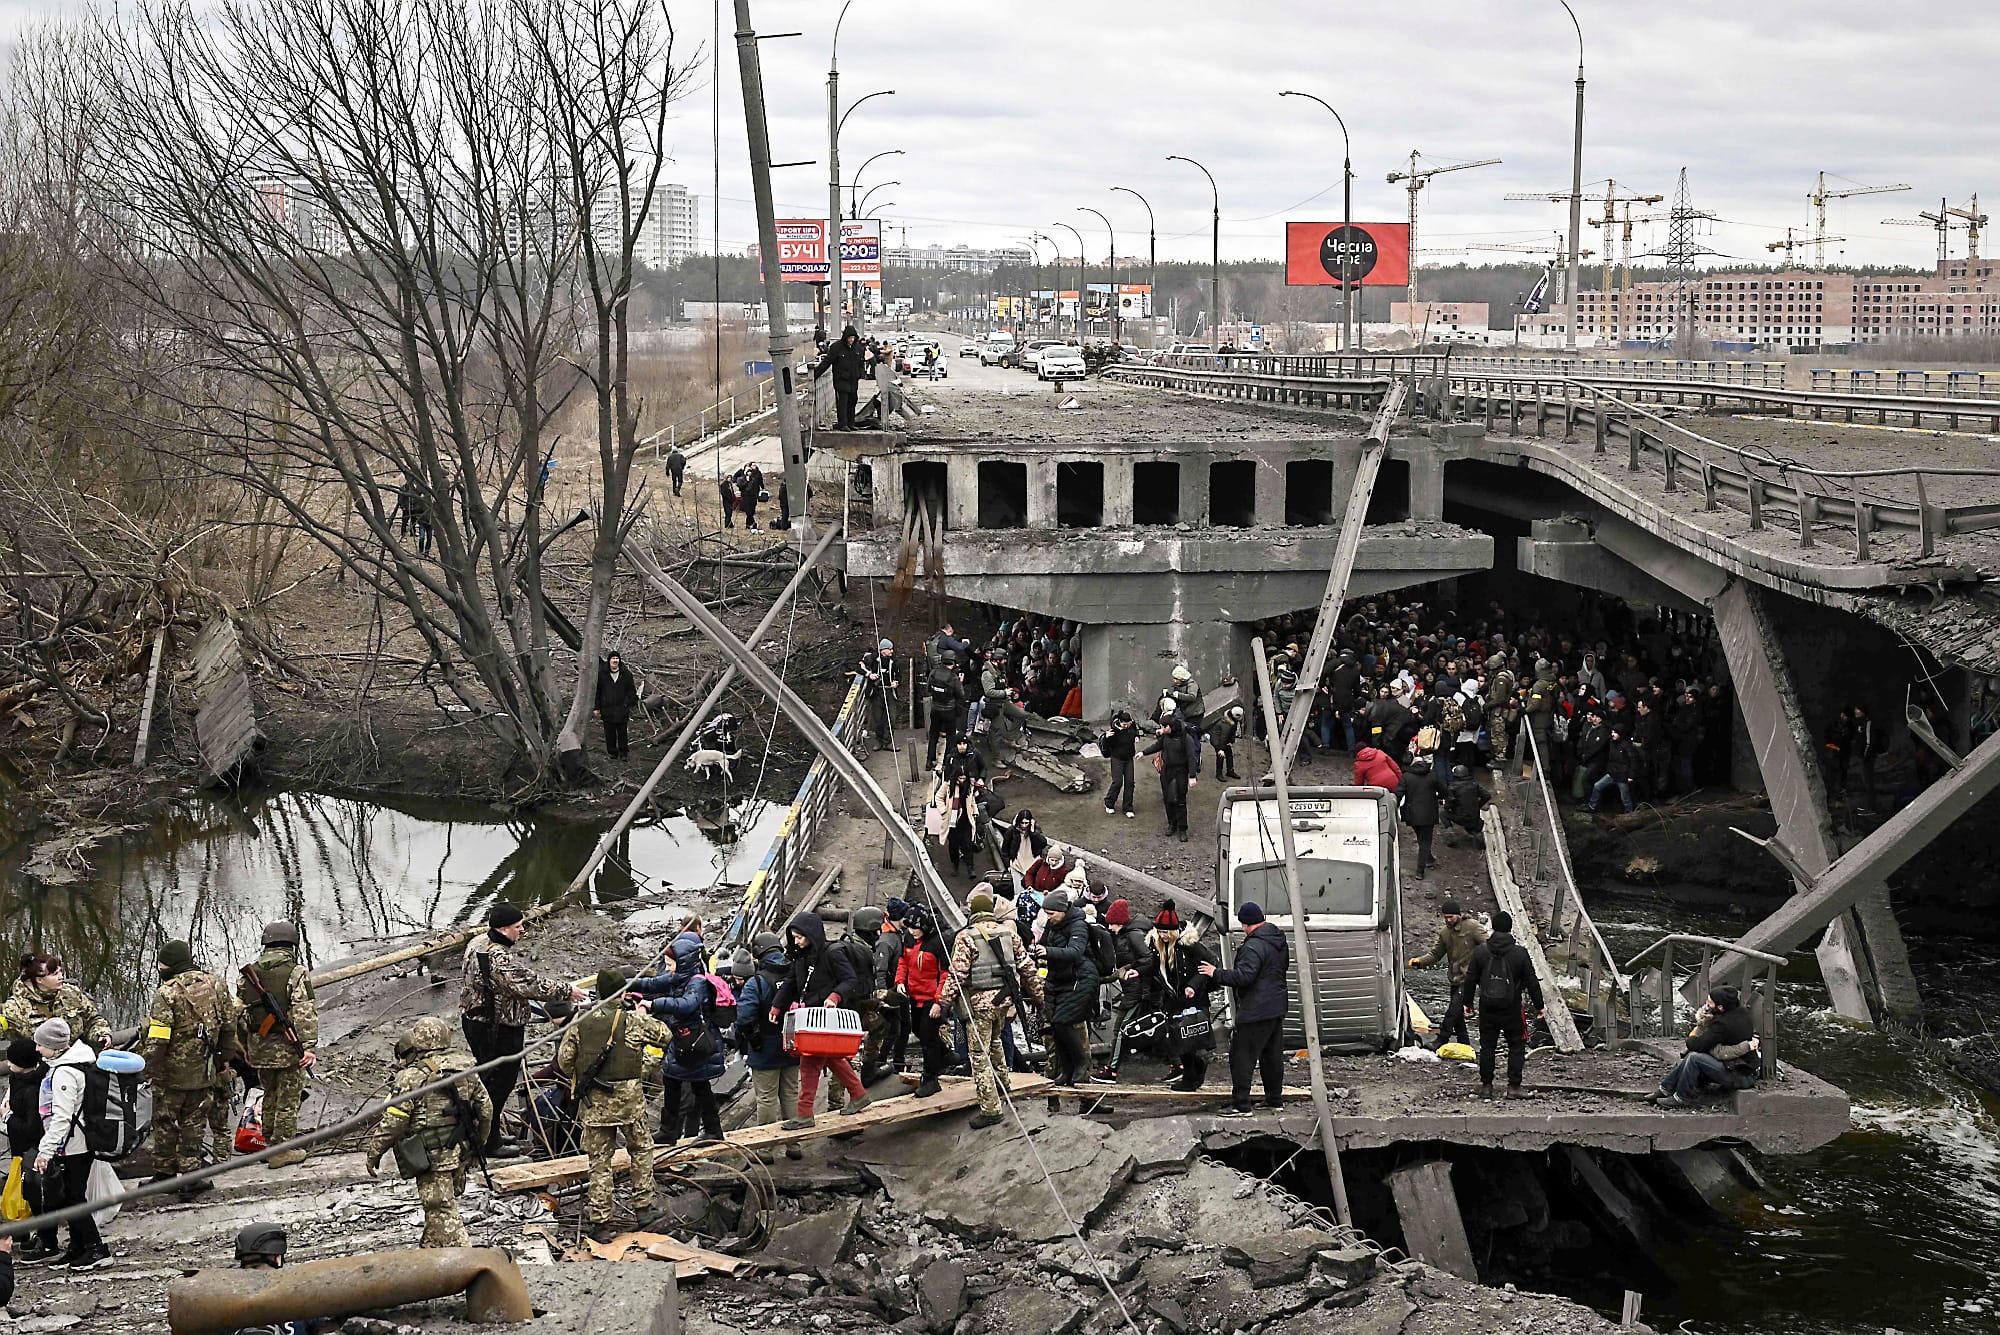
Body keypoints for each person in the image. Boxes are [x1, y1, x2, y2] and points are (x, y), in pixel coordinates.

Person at [461, 904, 585, 1160]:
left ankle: (488, 1133)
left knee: (488, 1080)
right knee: (498, 1084)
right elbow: (529, 983)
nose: (523, 930)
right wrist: (566, 991)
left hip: (476, 1021)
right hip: (496, 1028)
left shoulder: (477, 942)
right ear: (503, 929)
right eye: (518, 927)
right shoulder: (498, 958)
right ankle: (490, 1143)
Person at [556, 971, 673, 1241]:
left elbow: (564, 1061)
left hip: (594, 1103)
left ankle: (601, 1223)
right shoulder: (632, 1020)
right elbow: (664, 1035)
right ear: (622, 993)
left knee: (599, 1162)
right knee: (642, 1150)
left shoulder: (581, 1021)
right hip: (629, 1103)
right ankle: (643, 1209)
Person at [366, 1017, 493, 1248]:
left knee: (443, 1212)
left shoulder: (411, 1076)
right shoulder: (466, 1068)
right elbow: (486, 1110)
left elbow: (395, 1121)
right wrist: (478, 1146)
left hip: (432, 1157)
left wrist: (374, 1153)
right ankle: (430, 1250)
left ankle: (470, 1260)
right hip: (461, 1150)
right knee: (440, 1209)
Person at [140, 939, 242, 1197]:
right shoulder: (216, 984)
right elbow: (229, 1026)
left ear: (170, 965)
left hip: (170, 1076)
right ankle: (191, 1177)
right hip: (205, 1070)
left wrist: (147, 1068)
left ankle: (164, 1175)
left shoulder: (167, 993)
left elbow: (158, 1038)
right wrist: (223, 1060)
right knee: (194, 1124)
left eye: (162, 964)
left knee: (165, 1122)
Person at [938, 886, 1044, 1128]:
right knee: (996, 1042)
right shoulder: (1008, 934)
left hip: (979, 1006)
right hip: (1004, 1003)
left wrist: (944, 1003)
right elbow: (1028, 969)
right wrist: (1039, 998)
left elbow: (957, 974)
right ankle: (1003, 1085)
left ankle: (991, 1108)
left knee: (979, 1055)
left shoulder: (966, 937)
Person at [768, 912, 872, 1129]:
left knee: (810, 1063)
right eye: (794, 938)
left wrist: (835, 996)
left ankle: (805, 1114)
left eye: (799, 937)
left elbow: (849, 979)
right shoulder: (800, 955)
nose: (796, 942)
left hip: (827, 1016)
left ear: (811, 935)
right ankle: (858, 1094)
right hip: (813, 1016)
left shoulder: (832, 954)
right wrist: (777, 1006)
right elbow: (791, 982)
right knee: (830, 1059)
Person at [237, 921, 318, 1169]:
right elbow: (304, 1012)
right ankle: (281, 1150)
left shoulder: (249, 974)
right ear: (292, 945)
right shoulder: (296, 972)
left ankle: (269, 1143)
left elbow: (238, 1013)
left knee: (269, 1094)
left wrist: (246, 1047)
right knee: (288, 1100)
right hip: (287, 1049)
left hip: (259, 1048)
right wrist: (309, 1046)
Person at [28, 1020, 107, 1270]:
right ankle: (78, 1247)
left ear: (54, 1046)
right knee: (71, 1196)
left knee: (74, 1199)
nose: (38, 1050)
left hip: (74, 1145)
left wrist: (45, 1151)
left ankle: (96, 1249)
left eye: (41, 1045)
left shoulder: (64, 1073)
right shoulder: (79, 1061)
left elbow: (62, 1117)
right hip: (77, 1142)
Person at [630, 939, 725, 1145]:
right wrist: (630, 982)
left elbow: (686, 1004)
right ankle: (669, 1131)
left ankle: (713, 1130)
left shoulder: (697, 982)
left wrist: (653, 1004)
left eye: (670, 964)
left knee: (700, 1087)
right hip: (682, 1040)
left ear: (683, 963)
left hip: (695, 1042)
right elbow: (654, 983)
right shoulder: (678, 977)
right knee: (671, 1080)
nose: (668, 968)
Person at [1199, 903, 1290, 1117]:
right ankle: (1274, 1099)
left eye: (1242, 925)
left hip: (1255, 1010)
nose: (1242, 928)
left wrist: (1216, 973)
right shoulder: (1278, 940)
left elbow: (1244, 976)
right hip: (1276, 1008)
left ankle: (1241, 1105)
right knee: (1271, 1056)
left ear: (1247, 924)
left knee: (1241, 1057)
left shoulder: (1253, 946)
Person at [1456, 911, 1544, 1099]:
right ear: (1510, 928)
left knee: (1487, 1047)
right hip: (1512, 1007)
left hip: (1487, 1006)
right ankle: (1514, 1087)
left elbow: (1471, 979)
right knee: (1517, 1045)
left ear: (1493, 927)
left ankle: (1486, 1086)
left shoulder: (1481, 951)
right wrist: (1539, 1006)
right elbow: (1531, 981)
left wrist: (1468, 1003)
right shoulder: (1519, 953)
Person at [734, 933, 801, 1158]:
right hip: (793, 1043)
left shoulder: (757, 981)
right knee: (791, 1094)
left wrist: (750, 1037)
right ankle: (794, 1145)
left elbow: (744, 1017)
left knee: (766, 1098)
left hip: (764, 1046)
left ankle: (765, 1148)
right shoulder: (795, 974)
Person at [1649, 985, 1760, 1107]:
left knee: (1694, 1058)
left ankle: (1681, 1098)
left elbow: (1697, 1044)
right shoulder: (1740, 1012)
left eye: (1710, 1002)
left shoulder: (1723, 1024)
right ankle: (1665, 1089)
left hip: (1740, 1075)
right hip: (1735, 1066)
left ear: (1720, 1007)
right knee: (1692, 1056)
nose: (1706, 1004)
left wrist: (1692, 1035)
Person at [1033, 891, 1099, 1088]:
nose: (1048, 917)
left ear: (1063, 910)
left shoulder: (1078, 925)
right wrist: (1037, 950)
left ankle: (1080, 1063)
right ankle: (1067, 1070)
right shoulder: (1052, 925)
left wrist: (1048, 952)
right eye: (1046, 913)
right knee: (1055, 1025)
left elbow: (1075, 952)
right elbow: (1043, 944)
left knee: (1063, 1021)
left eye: (1051, 913)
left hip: (1080, 978)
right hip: (1058, 978)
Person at [1152, 904, 1219, 1090]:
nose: (1162, 936)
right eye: (1160, 932)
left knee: (1192, 1039)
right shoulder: (1158, 945)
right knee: (1179, 1041)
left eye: (1165, 932)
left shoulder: (1191, 945)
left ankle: (1194, 1075)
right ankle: (1190, 1077)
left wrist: (1194, 985)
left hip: (1193, 998)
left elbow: (1209, 964)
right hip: (1173, 998)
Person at [1406, 901, 1488, 1048]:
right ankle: (1465, 1044)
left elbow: (1489, 946)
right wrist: (1419, 962)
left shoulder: (1472, 927)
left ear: (1458, 915)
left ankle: (1441, 1039)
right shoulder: (1445, 933)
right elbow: (1435, 954)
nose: (1448, 920)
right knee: (1457, 1016)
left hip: (1469, 978)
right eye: (1446, 917)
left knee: (1453, 1010)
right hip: (1455, 978)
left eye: (1451, 917)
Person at [4, 1038, 55, 1265]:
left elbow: (32, 1128)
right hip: (19, 1151)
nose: (6, 1063)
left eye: (11, 1060)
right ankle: (32, 1234)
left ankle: (47, 1240)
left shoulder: (32, 1090)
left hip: (31, 1151)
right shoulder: (18, 1079)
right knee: (23, 1195)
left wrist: (8, 1117)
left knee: (34, 1196)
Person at [894, 908, 950, 1098]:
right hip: (914, 995)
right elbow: (903, 961)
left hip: (930, 998)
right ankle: (946, 1055)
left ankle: (931, 1078)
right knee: (918, 1031)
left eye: (916, 928)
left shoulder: (937, 943)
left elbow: (945, 974)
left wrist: (938, 1001)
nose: (912, 931)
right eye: (910, 928)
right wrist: (899, 981)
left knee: (928, 1038)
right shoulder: (908, 940)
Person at [2, 955, 111, 1050]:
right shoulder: (14, 1008)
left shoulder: (71, 993)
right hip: (39, 1066)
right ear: (39, 979)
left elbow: (92, 1019)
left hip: (77, 1056)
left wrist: (101, 1034)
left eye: (60, 971)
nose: (61, 977)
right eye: (54, 974)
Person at [1099, 899, 1153, 1080]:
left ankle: (1111, 1069)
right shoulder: (1127, 934)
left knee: (1121, 1030)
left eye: (1113, 924)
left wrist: (1133, 970)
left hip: (1135, 991)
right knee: (1153, 1029)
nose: (1110, 928)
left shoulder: (1133, 936)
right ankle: (1177, 1065)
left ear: (1121, 922)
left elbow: (1148, 959)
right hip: (1134, 990)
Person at [1141, 712, 1196, 842]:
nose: (1162, 729)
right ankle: (1172, 823)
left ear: (1171, 726)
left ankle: (1182, 828)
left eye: (1164, 727)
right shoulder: (1166, 737)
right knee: (1168, 799)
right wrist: (1143, 752)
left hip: (1181, 771)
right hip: (1167, 770)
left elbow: (1191, 757)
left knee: (1180, 800)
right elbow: (1157, 746)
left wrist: (1192, 776)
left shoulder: (1185, 738)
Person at [819, 324, 871, 431]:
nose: (851, 340)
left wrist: (861, 373)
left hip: (853, 380)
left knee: (852, 401)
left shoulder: (858, 348)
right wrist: (816, 373)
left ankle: (851, 423)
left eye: (853, 338)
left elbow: (861, 362)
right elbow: (827, 362)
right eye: (849, 338)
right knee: (842, 402)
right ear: (845, 337)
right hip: (841, 380)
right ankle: (842, 424)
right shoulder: (836, 347)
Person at [1398, 757, 1443, 879]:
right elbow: (1443, 791)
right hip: (1429, 813)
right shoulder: (1433, 776)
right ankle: (1420, 870)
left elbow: (1399, 794)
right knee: (1425, 841)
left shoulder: (1406, 777)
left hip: (1411, 814)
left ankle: (1428, 858)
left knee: (1421, 836)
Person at [594, 653, 641, 761]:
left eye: (617, 658)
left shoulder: (626, 675)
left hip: (621, 709)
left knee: (622, 732)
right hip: (607, 708)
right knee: (609, 732)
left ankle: (623, 753)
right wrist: (596, 708)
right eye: (613, 659)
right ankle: (612, 752)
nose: (615, 661)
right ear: (609, 661)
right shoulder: (602, 675)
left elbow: (632, 691)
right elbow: (598, 692)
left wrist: (627, 703)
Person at [858, 639, 899, 751]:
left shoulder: (893, 660)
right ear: (883, 650)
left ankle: (888, 742)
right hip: (876, 692)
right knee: (877, 718)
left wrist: (896, 682)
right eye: (889, 649)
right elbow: (859, 666)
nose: (892, 651)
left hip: (890, 691)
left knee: (891, 717)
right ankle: (879, 741)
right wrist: (869, 674)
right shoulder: (872, 658)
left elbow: (898, 674)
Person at [1100, 711, 1139, 818]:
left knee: (1130, 783)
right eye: (1124, 724)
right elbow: (1105, 746)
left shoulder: (1132, 726)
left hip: (1129, 758)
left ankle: (1128, 808)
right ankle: (1109, 803)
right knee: (1117, 782)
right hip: (1117, 758)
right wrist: (1106, 737)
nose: (1126, 726)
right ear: (1120, 722)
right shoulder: (1113, 731)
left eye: (1128, 724)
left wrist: (1136, 735)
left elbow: (1135, 729)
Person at [1001, 810, 1048, 898]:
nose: (1024, 825)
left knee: (1033, 894)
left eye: (1026, 823)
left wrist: (1033, 832)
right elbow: (1005, 849)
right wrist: (1008, 864)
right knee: (1018, 894)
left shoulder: (1035, 830)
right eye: (1022, 823)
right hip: (1017, 865)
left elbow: (1043, 844)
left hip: (1033, 865)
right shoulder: (1012, 831)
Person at [1441, 765, 1490, 848]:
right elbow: (1486, 795)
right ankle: (1476, 833)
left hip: (1460, 817)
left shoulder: (1453, 787)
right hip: (1474, 817)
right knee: (1471, 822)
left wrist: (1450, 806)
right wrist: (1478, 805)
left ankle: (1450, 833)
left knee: (1443, 814)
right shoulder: (1474, 784)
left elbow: (1448, 805)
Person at [1208, 705, 1243, 781]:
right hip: (1217, 740)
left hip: (1224, 740)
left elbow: (1231, 734)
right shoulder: (1226, 724)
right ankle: (1219, 774)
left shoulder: (1232, 720)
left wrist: (1231, 741)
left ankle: (1230, 771)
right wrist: (1220, 749)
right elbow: (1223, 736)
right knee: (1221, 756)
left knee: (1229, 754)